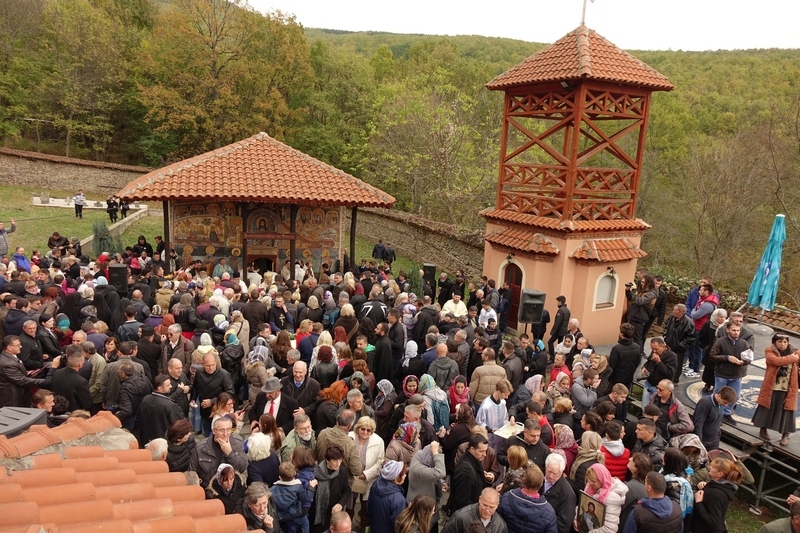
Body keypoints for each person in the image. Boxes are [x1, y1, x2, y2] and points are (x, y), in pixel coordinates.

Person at [752, 333, 799, 445]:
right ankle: (763, 428)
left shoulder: (796, 352)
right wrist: (792, 358)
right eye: (780, 342)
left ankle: (785, 434)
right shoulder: (769, 351)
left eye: (785, 342)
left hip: (788, 388)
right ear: (774, 343)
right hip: (772, 387)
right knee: (767, 407)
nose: (783, 344)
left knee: (787, 410)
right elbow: (776, 361)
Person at [709, 321, 752, 425]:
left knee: (735, 396)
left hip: (736, 375)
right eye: (733, 330)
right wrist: (727, 358)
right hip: (722, 374)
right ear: (727, 330)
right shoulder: (720, 342)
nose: (736, 333)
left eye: (738, 330)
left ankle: (726, 414)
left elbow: (749, 358)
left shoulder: (744, 343)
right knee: (718, 395)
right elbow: (712, 356)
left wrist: (743, 362)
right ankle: (716, 415)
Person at [189, 416, 248, 489]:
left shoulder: (237, 443)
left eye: (228, 430)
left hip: (230, 489)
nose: (226, 434)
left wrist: (230, 453)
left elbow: (242, 468)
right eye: (222, 430)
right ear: (214, 431)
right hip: (209, 490)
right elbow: (192, 472)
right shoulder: (201, 447)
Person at [691, 457, 743, 533]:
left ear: (720, 473)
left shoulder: (716, 494)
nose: (709, 467)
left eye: (713, 467)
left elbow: (714, 523)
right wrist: (707, 485)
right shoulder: (723, 488)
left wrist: (699, 503)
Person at [312, 443, 352, 533]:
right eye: (334, 460)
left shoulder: (342, 471)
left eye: (340, 460)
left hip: (332, 515)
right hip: (317, 515)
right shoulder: (316, 472)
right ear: (327, 460)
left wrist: (340, 504)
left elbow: (346, 490)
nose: (338, 463)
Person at [580, 463, 629, 533]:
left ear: (602, 480)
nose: (590, 483)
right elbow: (582, 504)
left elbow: (609, 529)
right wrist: (576, 518)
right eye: (588, 480)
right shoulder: (591, 488)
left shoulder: (611, 498)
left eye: (593, 481)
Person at [271, 461, 316, 533]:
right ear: (295, 473)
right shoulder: (298, 487)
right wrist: (311, 488)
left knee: (290, 528)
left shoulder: (273, 489)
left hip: (283, 516)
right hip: (296, 513)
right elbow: (306, 498)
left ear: (280, 477)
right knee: (305, 525)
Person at [443, 487, 508, 533]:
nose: (487, 510)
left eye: (491, 507)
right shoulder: (460, 517)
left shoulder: (501, 526)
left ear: (497, 505)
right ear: (479, 499)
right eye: (484, 505)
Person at [366, 460, 408, 533]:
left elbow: (369, 508)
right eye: (403, 474)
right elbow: (398, 525)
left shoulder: (375, 485)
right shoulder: (399, 500)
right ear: (396, 478)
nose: (405, 476)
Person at [692, 386, 736, 451]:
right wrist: (699, 442)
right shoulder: (705, 403)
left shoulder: (720, 404)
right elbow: (698, 423)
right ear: (719, 395)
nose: (726, 405)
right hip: (703, 440)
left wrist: (718, 435)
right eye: (725, 402)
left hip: (714, 440)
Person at [543, 453, 576, 533]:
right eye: (548, 471)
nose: (550, 476)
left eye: (555, 473)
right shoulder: (540, 480)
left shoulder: (567, 494)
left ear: (561, 472)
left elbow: (563, 525)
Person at [640, 338, 677, 405]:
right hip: (649, 383)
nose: (654, 351)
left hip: (660, 388)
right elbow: (649, 362)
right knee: (645, 408)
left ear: (663, 346)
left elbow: (669, 374)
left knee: (654, 411)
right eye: (652, 349)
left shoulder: (672, 357)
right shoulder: (654, 352)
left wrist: (659, 362)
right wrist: (645, 367)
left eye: (656, 349)